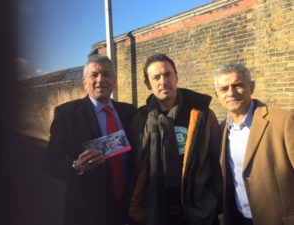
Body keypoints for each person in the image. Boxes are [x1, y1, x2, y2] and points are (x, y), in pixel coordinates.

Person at [126, 53, 222, 225]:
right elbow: (135, 166)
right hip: (155, 211)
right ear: (148, 84)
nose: (163, 81)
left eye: (167, 74)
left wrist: (211, 200)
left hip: (197, 211)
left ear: (176, 76)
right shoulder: (140, 120)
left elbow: (217, 160)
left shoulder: (202, 114)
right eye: (156, 77)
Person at [43, 55, 137, 225]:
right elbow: (50, 163)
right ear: (84, 82)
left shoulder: (129, 112)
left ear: (114, 81)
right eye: (94, 75)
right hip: (87, 210)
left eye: (107, 74)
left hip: (126, 207)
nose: (101, 79)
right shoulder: (67, 114)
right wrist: (76, 166)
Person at [214, 63, 294, 225]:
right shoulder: (221, 130)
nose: (231, 93)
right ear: (217, 95)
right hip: (238, 218)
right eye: (224, 89)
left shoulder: (283, 121)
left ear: (251, 86)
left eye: (238, 85)